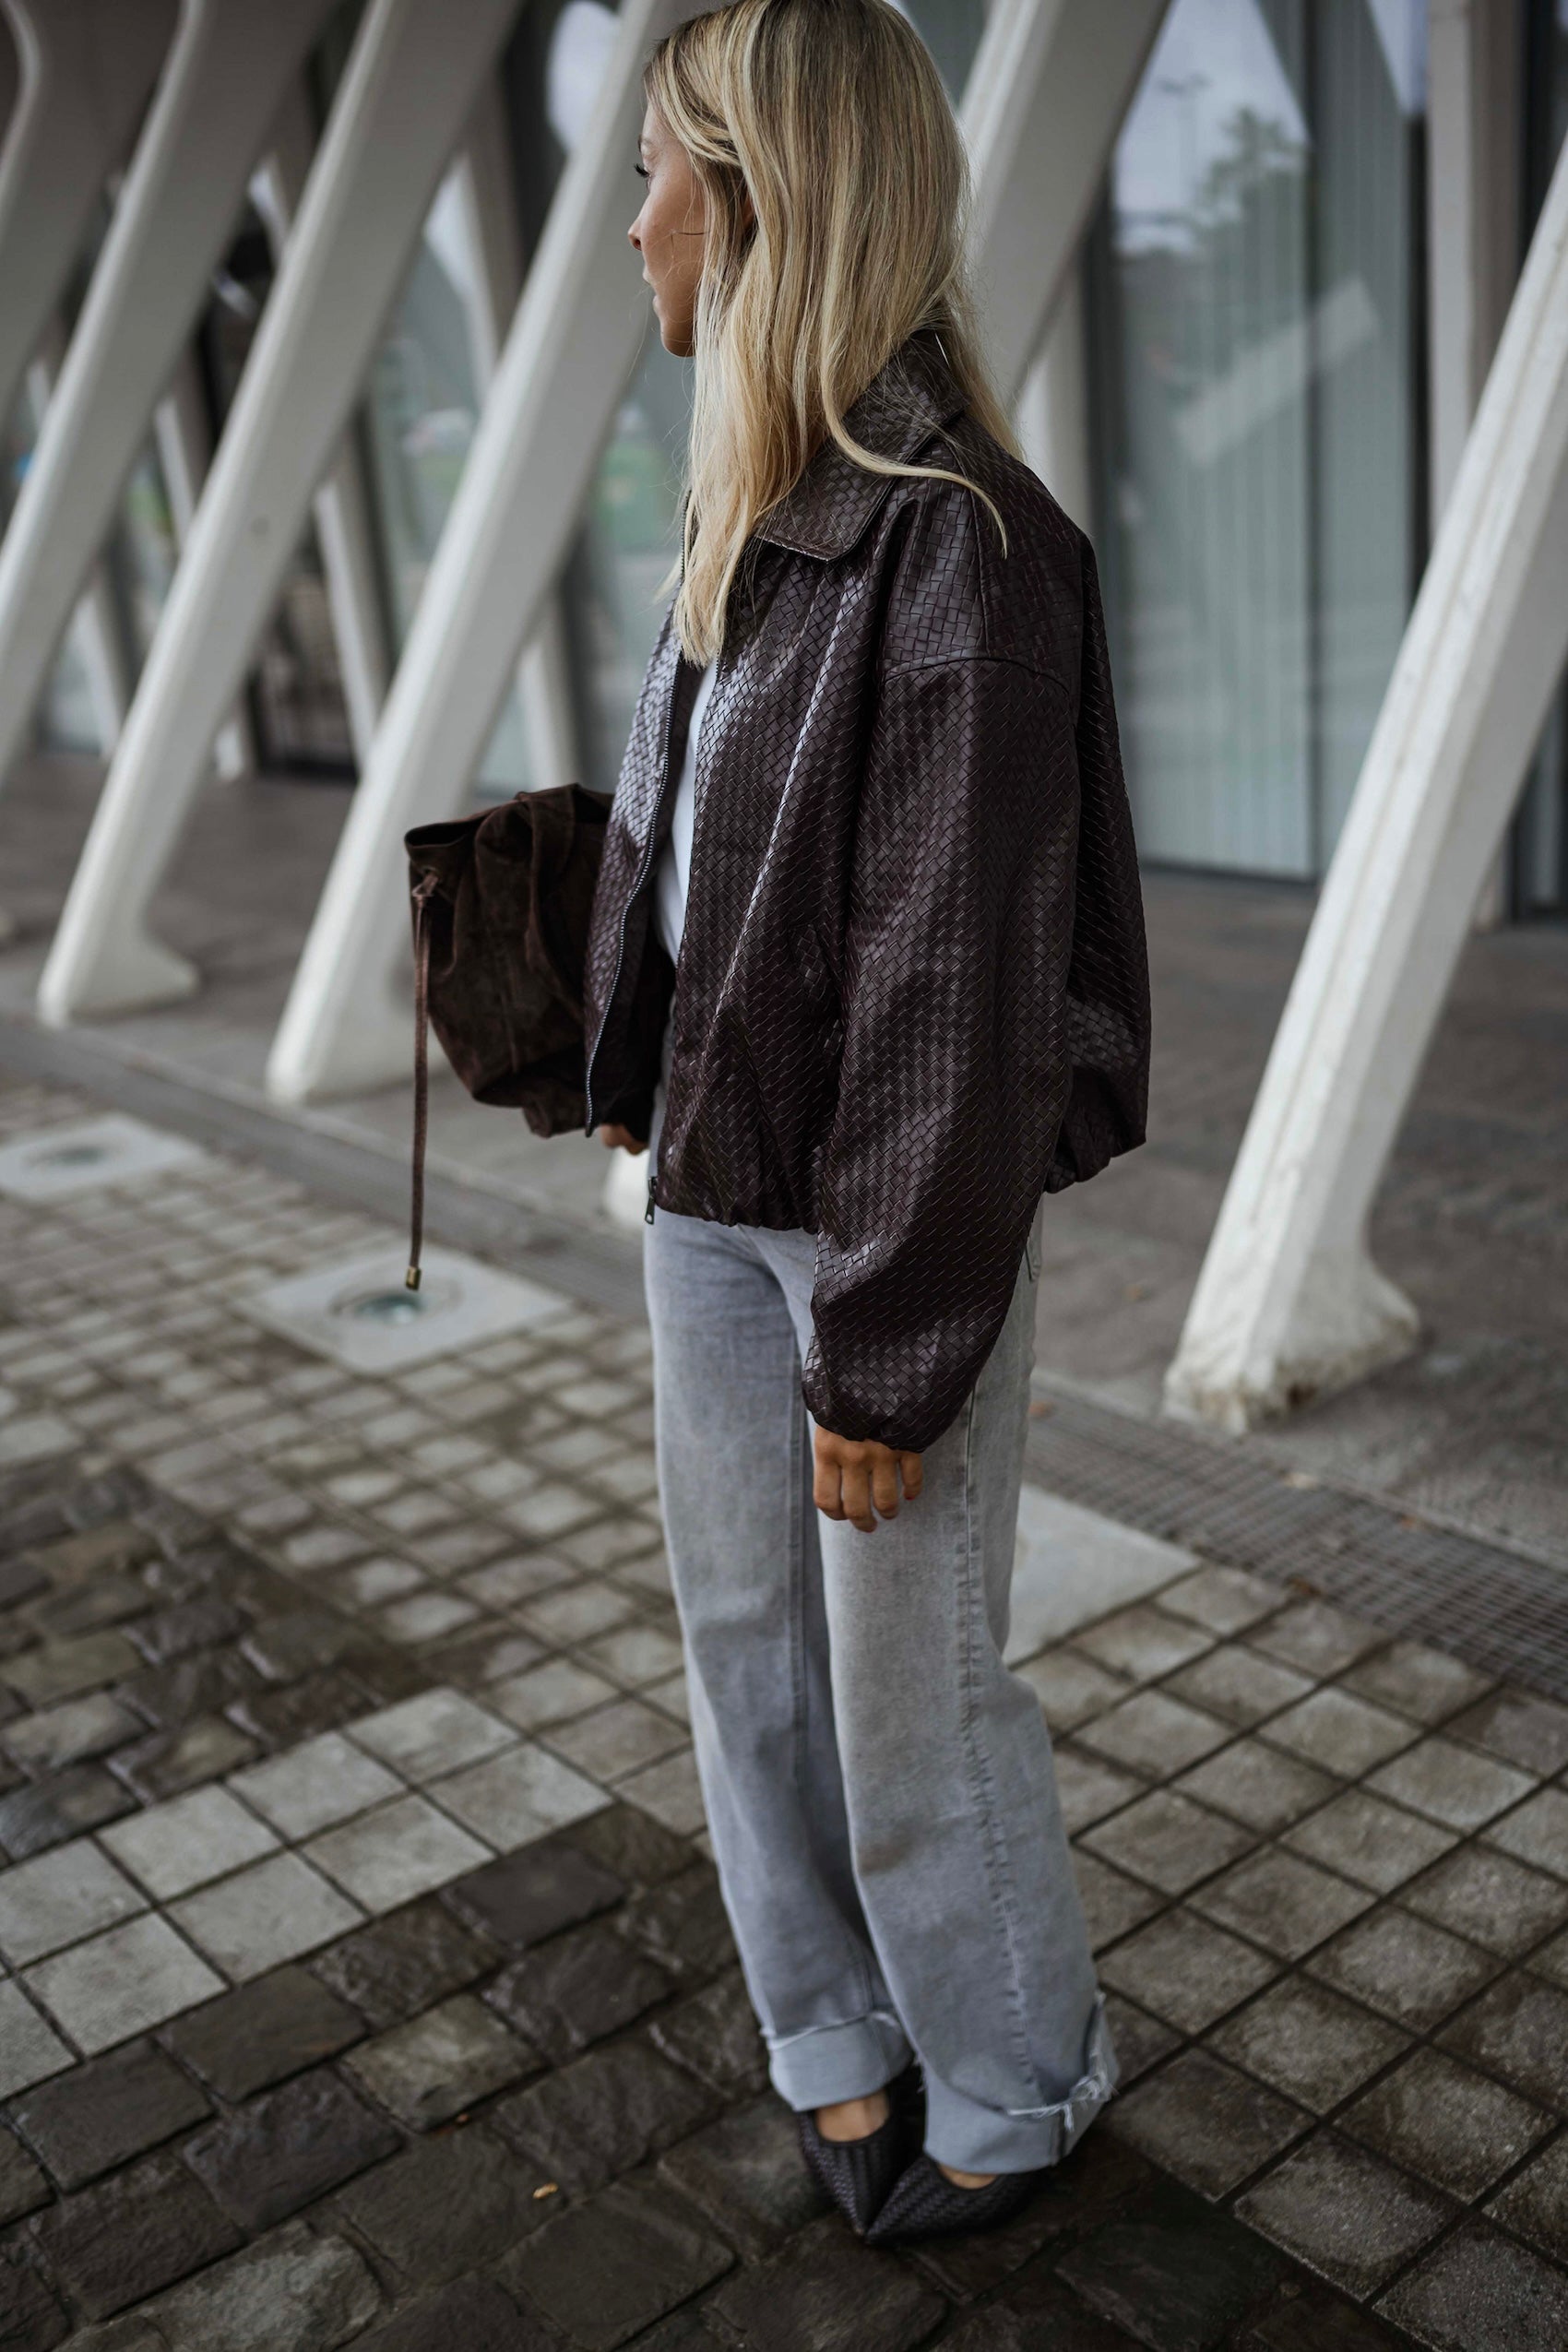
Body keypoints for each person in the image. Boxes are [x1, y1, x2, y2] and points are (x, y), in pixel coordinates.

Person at [583, 0, 1150, 2246]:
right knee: (747, 1650)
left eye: (662, 173)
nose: (634, 221)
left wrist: (895, 1342)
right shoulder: (748, 520)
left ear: (765, 200)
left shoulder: (962, 554)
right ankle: (831, 2032)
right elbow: (749, 878)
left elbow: (952, 1000)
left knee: (910, 1698)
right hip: (711, 1209)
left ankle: (1014, 2068)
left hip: (868, 1240)